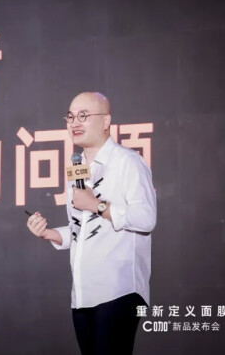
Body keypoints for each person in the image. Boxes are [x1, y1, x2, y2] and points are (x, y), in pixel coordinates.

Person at [27, 92, 156, 355]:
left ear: (106, 121)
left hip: (119, 290)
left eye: (83, 116)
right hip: (83, 295)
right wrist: (49, 233)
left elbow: (146, 218)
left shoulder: (127, 162)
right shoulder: (77, 169)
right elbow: (82, 228)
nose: (75, 122)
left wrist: (98, 205)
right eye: (70, 117)